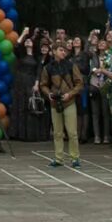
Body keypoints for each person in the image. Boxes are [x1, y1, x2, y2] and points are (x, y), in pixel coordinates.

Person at [41, 40, 83, 168]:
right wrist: (48, 94)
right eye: (60, 50)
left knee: (72, 132)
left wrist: (70, 94)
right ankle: (59, 158)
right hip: (55, 102)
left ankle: (75, 158)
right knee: (57, 133)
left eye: (65, 50)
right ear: (53, 52)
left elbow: (79, 83)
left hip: (69, 101)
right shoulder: (48, 67)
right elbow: (43, 84)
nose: (63, 52)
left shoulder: (71, 66)